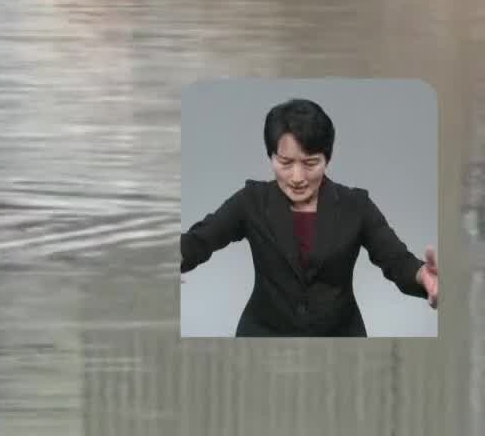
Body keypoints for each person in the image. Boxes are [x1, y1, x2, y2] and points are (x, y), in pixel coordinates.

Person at [180, 98, 439, 337]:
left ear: (327, 159)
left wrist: (422, 276)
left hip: (341, 337)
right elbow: (200, 241)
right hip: (264, 334)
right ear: (270, 157)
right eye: (285, 162)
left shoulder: (355, 205)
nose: (297, 177)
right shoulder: (252, 201)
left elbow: (396, 259)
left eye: (310, 163)